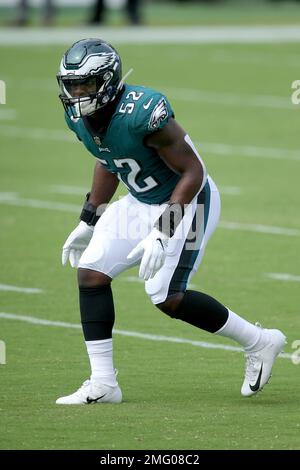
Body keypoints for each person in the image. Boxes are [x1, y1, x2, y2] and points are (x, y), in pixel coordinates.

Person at [55, 38, 286, 405]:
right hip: (141, 200)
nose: (78, 93)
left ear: (110, 81)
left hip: (188, 199)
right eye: (72, 84)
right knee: (92, 273)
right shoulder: (78, 117)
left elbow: (194, 171)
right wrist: (89, 219)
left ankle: (261, 342)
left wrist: (163, 231)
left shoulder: (143, 111)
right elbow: (107, 158)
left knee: (166, 296)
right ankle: (104, 384)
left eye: (87, 83)